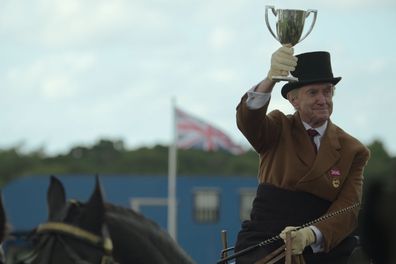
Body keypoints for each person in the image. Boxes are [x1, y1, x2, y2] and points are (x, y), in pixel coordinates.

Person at [233, 46, 370, 264]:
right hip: (267, 238)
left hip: (324, 245)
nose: (322, 99)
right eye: (313, 92)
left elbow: (348, 208)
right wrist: (270, 79)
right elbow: (248, 121)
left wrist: (310, 235)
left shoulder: (353, 150)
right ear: (293, 100)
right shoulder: (277, 127)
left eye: (327, 91)